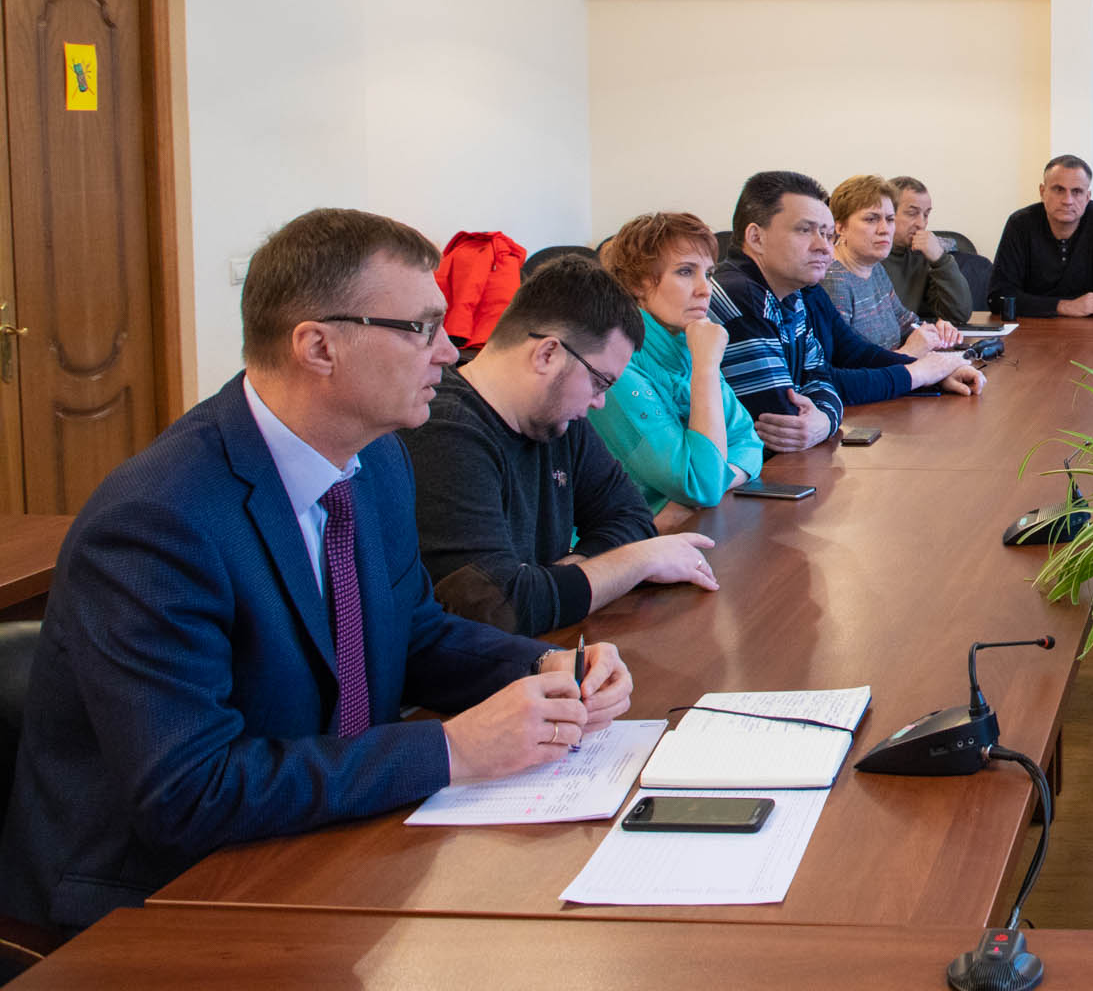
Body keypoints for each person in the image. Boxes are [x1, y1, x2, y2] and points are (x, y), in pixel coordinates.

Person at [0, 209, 633, 936]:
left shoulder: (379, 459)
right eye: (422, 328)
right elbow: (189, 790)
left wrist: (545, 665)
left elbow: (412, 631)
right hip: (146, 907)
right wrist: (452, 749)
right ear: (318, 346)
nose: (450, 351)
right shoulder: (157, 521)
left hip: (313, 849)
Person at [404, 255, 721, 636]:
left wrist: (560, 577)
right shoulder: (444, 432)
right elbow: (496, 607)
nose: (599, 401)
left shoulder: (558, 419)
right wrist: (638, 562)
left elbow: (633, 519)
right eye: (600, 382)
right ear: (548, 354)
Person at [711, 171, 983, 437]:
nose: (824, 247)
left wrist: (934, 373)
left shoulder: (792, 292)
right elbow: (787, 414)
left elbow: (824, 374)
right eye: (805, 230)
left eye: (826, 234)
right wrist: (917, 373)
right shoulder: (741, 296)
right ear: (756, 237)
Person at [590, 211, 767, 508]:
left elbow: (749, 444)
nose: (705, 289)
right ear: (637, 283)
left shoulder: (691, 342)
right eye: (685, 272)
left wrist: (709, 484)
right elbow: (701, 486)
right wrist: (706, 368)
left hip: (685, 523)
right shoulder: (616, 367)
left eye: (708, 274)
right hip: (627, 534)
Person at [822, 172, 962, 354]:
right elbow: (843, 363)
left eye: (889, 219)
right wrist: (909, 353)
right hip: (892, 371)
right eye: (871, 219)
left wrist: (936, 332)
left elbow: (906, 322)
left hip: (900, 369)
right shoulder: (833, 281)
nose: (885, 229)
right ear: (840, 227)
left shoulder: (874, 267)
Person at [987, 155, 1093, 318]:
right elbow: (998, 297)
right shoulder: (1020, 224)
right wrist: (1064, 306)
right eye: (1058, 190)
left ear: (1087, 197)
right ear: (1042, 192)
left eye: (1077, 192)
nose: (1067, 200)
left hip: (1092, 326)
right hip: (1032, 326)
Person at [885, 174, 976, 326]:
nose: (921, 224)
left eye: (926, 215)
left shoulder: (923, 254)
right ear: (888, 213)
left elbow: (958, 316)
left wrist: (941, 260)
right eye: (912, 213)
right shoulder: (868, 255)